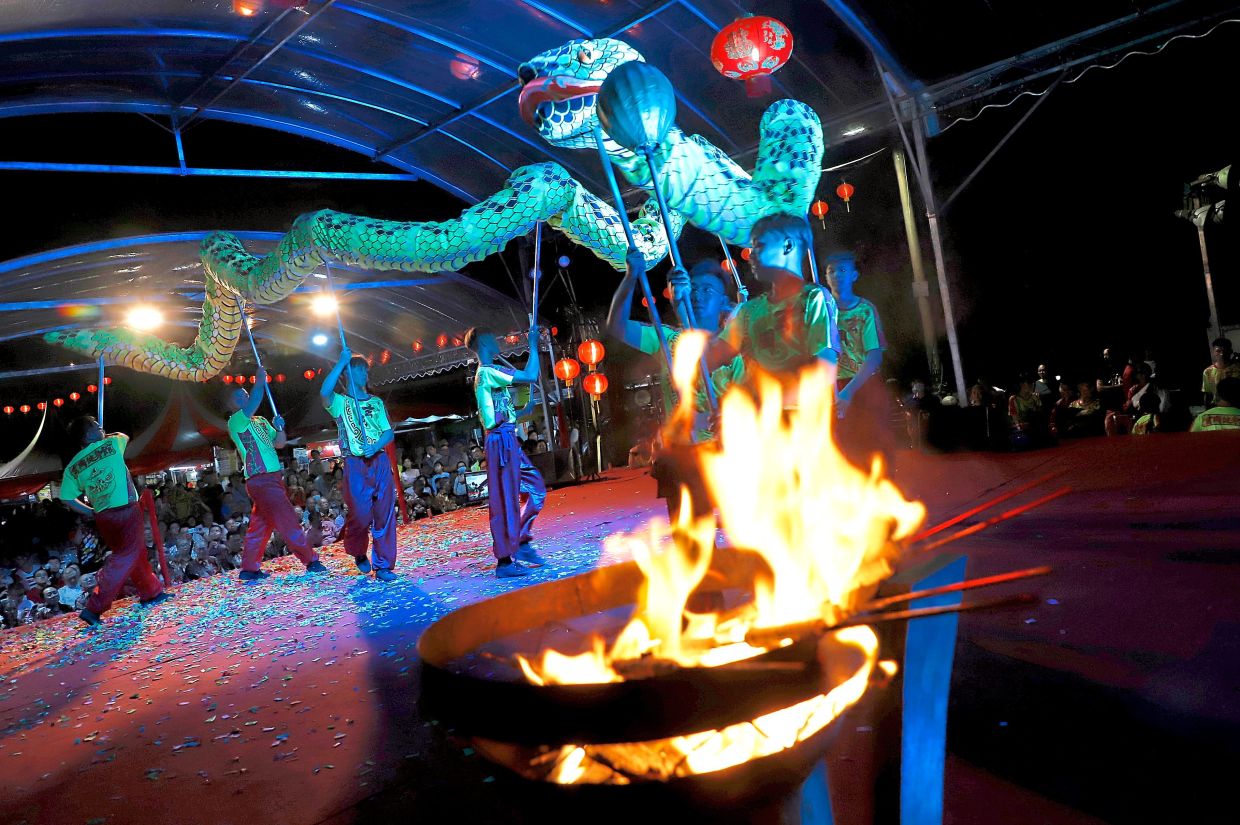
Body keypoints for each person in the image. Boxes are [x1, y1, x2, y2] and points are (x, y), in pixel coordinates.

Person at [607, 252, 740, 521]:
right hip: (681, 455)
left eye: (707, 290)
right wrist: (631, 276)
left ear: (723, 302)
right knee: (691, 535)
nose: (697, 295)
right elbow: (617, 327)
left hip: (728, 454)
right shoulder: (668, 341)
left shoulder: (735, 348)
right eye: (693, 288)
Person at [708, 213, 840, 400]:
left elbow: (824, 372)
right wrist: (682, 303)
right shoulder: (749, 311)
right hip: (756, 416)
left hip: (801, 415)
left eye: (759, 246)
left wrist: (765, 408)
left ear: (788, 246)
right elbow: (711, 358)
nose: (750, 255)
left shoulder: (813, 298)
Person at [60, 417, 168, 626]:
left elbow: (66, 498)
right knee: (125, 556)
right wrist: (105, 435)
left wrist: (90, 511)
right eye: (96, 426)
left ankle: (150, 591)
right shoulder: (111, 443)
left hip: (103, 516)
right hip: (126, 509)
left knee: (135, 553)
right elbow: (124, 436)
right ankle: (94, 607)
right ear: (87, 435)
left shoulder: (72, 467)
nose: (101, 427)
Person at [226, 364, 327, 582]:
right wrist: (259, 381)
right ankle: (310, 560)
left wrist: (280, 428)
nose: (245, 397)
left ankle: (249, 568)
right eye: (240, 396)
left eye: (245, 394)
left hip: (272, 478)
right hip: (260, 478)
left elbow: (279, 443)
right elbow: (255, 399)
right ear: (232, 404)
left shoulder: (261, 421)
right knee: (288, 519)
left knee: (260, 525)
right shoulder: (235, 421)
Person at [463, 323, 546, 578]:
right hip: (501, 442)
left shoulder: (489, 373)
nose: (497, 341)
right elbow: (530, 375)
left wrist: (520, 413)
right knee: (505, 500)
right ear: (484, 343)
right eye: (493, 338)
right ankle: (505, 561)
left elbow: (497, 413)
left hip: (507, 438)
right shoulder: (488, 371)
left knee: (536, 488)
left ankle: (520, 541)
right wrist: (533, 345)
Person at [320, 349, 398, 581]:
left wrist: (375, 446)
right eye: (358, 369)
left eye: (365, 370)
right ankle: (358, 551)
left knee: (384, 514)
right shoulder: (341, 403)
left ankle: (383, 565)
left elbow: (387, 432)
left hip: (379, 461)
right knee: (361, 515)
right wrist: (341, 362)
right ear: (347, 373)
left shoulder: (376, 402)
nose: (364, 373)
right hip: (355, 464)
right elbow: (324, 392)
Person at [824, 251, 892, 466]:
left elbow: (875, 355)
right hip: (833, 386)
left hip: (863, 385)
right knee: (841, 450)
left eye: (842, 270)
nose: (837, 275)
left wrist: (848, 391)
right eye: (831, 271)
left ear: (854, 275)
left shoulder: (864, 311)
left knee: (871, 447)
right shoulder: (822, 311)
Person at [1202, 337, 1240, 406]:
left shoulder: (1238, 368)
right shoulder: (1208, 371)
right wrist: (1207, 409)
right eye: (1218, 351)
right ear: (1213, 352)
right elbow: (1208, 393)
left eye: (1225, 350)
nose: (1222, 354)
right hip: (1217, 407)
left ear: (1230, 351)